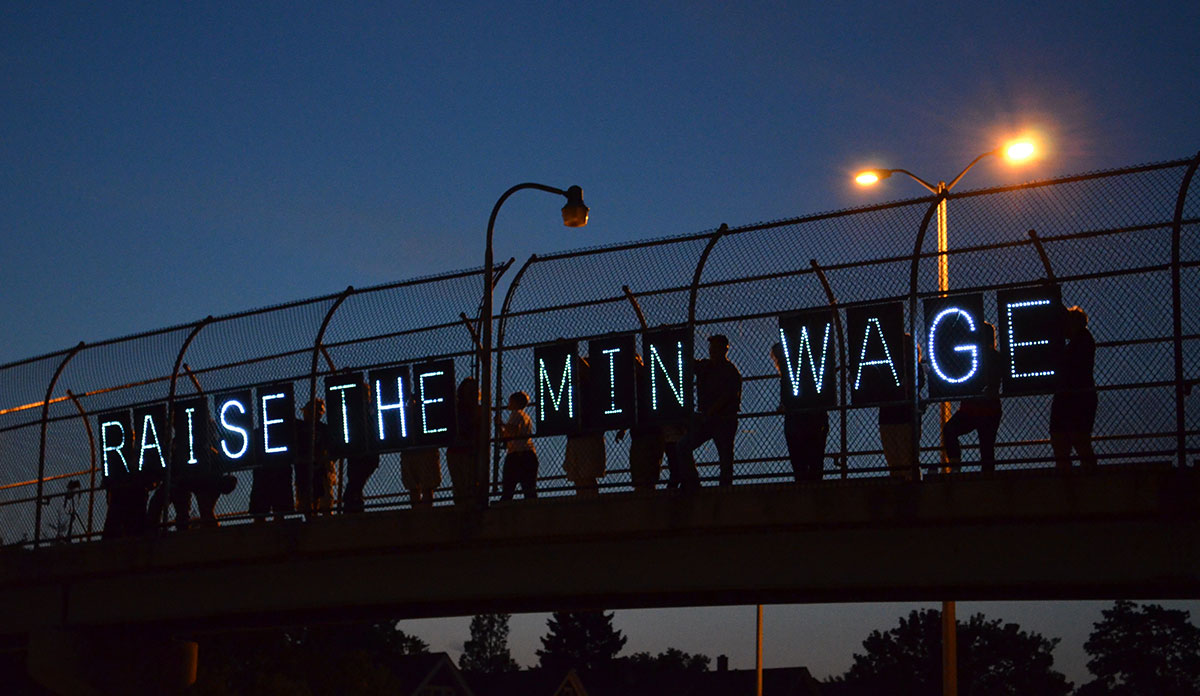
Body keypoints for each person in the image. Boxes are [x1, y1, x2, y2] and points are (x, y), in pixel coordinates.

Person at [676, 334, 743, 487]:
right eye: (712, 348)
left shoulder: (730, 371)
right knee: (683, 446)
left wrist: (709, 413)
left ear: (725, 350)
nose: (713, 351)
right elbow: (689, 363)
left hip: (723, 420)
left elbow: (729, 396)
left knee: (725, 457)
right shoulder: (706, 367)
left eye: (716, 347)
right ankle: (692, 482)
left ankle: (724, 488)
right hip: (708, 419)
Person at [942, 322, 1004, 472]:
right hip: (979, 409)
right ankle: (962, 467)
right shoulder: (976, 356)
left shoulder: (982, 357)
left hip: (982, 409)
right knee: (986, 448)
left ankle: (962, 468)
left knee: (986, 447)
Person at [769, 342, 829, 483]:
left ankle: (806, 486)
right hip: (808, 420)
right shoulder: (795, 373)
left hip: (800, 422)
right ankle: (811, 486)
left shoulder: (793, 372)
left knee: (803, 461)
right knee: (813, 460)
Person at [1050, 305, 1098, 470]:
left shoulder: (1083, 341)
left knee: (1079, 439)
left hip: (1078, 397)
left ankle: (1087, 477)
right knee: (1063, 439)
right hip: (1070, 396)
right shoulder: (1080, 341)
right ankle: (1070, 475)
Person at [878, 334, 924, 481]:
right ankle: (907, 489)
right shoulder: (893, 367)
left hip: (897, 417)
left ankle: (905, 489)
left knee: (901, 461)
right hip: (898, 416)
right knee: (901, 460)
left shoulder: (912, 368)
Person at [618, 356, 664, 492]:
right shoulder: (634, 385)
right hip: (640, 435)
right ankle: (643, 493)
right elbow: (631, 409)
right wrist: (623, 428)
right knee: (640, 471)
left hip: (651, 433)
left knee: (648, 471)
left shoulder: (650, 380)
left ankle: (647, 495)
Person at [563, 356, 606, 497]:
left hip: (589, 435)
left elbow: (586, 371)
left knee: (587, 476)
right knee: (577, 477)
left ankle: (591, 503)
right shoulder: (574, 388)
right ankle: (582, 500)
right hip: (575, 436)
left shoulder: (594, 385)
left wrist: (572, 353)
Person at [445, 377, 483, 506]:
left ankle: (469, 505)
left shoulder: (477, 409)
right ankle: (461, 505)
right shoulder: (456, 409)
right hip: (458, 449)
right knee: (460, 483)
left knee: (469, 482)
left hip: (468, 450)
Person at [294, 398, 335, 517]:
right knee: (308, 502)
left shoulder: (323, 429)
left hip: (320, 469)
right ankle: (313, 521)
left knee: (323, 500)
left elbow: (331, 448)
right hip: (305, 469)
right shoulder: (300, 427)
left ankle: (324, 523)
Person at [496, 391, 538, 500]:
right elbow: (507, 436)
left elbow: (513, 430)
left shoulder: (516, 414)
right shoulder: (525, 417)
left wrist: (502, 424)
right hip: (526, 453)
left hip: (518, 454)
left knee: (508, 488)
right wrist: (500, 427)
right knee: (529, 489)